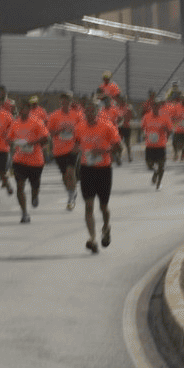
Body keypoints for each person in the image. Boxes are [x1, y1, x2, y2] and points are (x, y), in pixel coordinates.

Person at [75, 97, 122, 253]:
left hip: (103, 170)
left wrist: (102, 151)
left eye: (93, 110)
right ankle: (93, 239)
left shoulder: (107, 126)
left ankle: (106, 227)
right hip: (87, 169)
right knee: (89, 206)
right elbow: (76, 144)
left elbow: (118, 147)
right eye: (87, 110)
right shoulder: (79, 127)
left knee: (103, 206)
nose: (89, 113)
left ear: (98, 111)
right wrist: (78, 150)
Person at [9, 98, 50, 223]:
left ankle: (35, 195)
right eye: (20, 109)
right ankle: (24, 213)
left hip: (35, 161)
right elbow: (9, 138)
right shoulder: (15, 123)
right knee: (20, 187)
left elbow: (46, 138)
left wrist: (33, 142)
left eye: (24, 108)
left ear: (28, 109)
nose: (21, 111)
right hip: (19, 160)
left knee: (34, 186)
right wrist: (14, 142)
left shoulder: (36, 122)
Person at [47, 93, 82, 210]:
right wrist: (59, 130)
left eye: (67, 101)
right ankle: (71, 191)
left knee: (70, 172)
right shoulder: (54, 116)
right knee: (64, 176)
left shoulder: (77, 115)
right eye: (63, 101)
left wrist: (78, 143)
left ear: (70, 102)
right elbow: (49, 132)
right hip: (59, 150)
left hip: (72, 148)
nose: (65, 103)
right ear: (60, 102)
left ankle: (71, 198)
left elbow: (82, 130)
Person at [140, 93, 171, 190]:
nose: (155, 107)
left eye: (157, 105)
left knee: (161, 165)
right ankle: (155, 171)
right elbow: (142, 128)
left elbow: (169, 129)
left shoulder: (165, 116)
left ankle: (159, 183)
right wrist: (144, 134)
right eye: (154, 105)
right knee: (149, 165)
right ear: (151, 106)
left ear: (159, 106)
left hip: (160, 145)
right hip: (150, 145)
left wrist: (166, 137)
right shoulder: (147, 116)